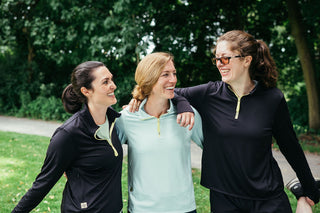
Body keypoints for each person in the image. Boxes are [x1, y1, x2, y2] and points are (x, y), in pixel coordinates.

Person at [128, 30, 319, 212]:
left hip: (267, 198)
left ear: (246, 60)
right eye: (217, 59)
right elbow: (170, 92)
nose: (220, 63)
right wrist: (177, 104)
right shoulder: (209, 93)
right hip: (224, 199)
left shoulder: (272, 98)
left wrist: (309, 190)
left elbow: (290, 146)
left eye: (225, 58)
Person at [12, 61, 123, 212]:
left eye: (111, 79)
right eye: (105, 82)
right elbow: (43, 183)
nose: (113, 85)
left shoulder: (114, 121)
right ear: (86, 91)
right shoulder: (68, 134)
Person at [115, 52, 203, 213]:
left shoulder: (188, 115)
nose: (173, 79)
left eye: (174, 73)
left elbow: (216, 148)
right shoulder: (127, 119)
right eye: (166, 74)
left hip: (184, 208)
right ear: (149, 78)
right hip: (142, 209)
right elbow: (101, 150)